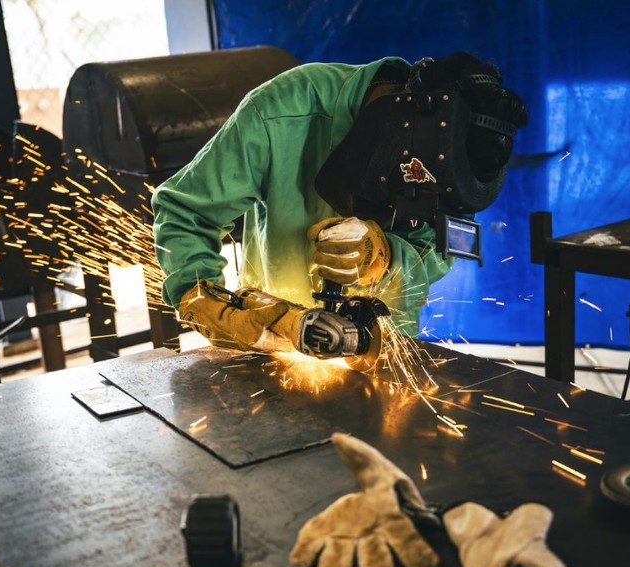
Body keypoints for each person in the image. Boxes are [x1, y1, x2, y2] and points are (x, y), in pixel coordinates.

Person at [151, 52, 527, 355]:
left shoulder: (460, 148)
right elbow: (185, 210)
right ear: (403, 128)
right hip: (280, 341)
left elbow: (446, 247)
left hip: (387, 350)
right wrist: (197, 293)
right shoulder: (282, 112)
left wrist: (387, 257)